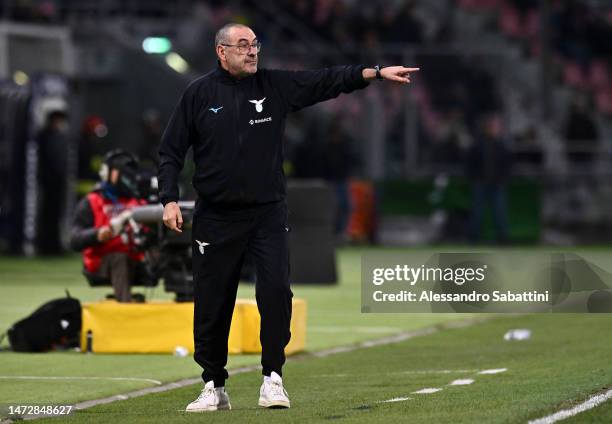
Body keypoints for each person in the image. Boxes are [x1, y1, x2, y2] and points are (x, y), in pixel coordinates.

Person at [158, 22, 419, 412]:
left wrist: (376, 73)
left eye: (255, 45)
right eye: (243, 45)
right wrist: (168, 199)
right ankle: (213, 385)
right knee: (212, 302)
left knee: (276, 291)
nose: (252, 52)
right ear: (221, 52)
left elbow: (326, 81)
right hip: (216, 216)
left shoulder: (273, 87)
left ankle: (272, 378)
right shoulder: (198, 94)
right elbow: (170, 152)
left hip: (267, 213)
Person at [70, 149, 148, 303]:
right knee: (119, 258)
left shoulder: (138, 202)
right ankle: (125, 307)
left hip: (135, 257)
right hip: (101, 262)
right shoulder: (92, 201)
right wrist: (98, 234)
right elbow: (74, 239)